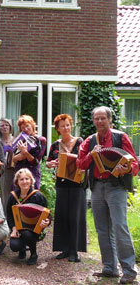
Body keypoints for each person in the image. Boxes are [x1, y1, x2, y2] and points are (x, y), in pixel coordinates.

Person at [78, 106, 138, 284]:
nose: (99, 122)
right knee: (102, 229)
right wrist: (91, 154)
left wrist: (125, 168)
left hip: (116, 187)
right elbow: (81, 164)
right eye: (96, 119)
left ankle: (129, 271)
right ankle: (110, 268)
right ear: (93, 120)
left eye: (103, 118)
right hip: (96, 187)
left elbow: (134, 164)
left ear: (110, 120)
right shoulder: (89, 141)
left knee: (120, 227)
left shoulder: (120, 137)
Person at [46, 114, 86, 262]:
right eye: (62, 126)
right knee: (62, 216)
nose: (66, 128)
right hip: (62, 183)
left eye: (68, 125)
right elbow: (48, 162)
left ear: (71, 126)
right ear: (57, 129)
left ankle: (74, 251)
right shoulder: (55, 145)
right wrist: (51, 164)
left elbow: (86, 160)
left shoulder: (80, 142)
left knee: (75, 216)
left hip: (77, 184)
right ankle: (64, 249)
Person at [6, 168, 50, 265]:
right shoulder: (13, 197)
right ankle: (22, 248)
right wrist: (13, 229)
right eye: (21, 179)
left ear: (31, 181)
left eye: (27, 179)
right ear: (17, 182)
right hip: (18, 229)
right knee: (14, 246)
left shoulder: (38, 196)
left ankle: (34, 254)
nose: (24, 182)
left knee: (26, 233)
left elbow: (47, 215)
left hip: (36, 230)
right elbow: (9, 216)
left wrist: (46, 222)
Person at [12, 115, 44, 189]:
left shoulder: (41, 140)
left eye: (27, 126)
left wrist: (25, 153)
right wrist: (17, 157)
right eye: (23, 128)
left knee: (32, 196)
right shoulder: (20, 139)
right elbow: (14, 159)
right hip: (19, 172)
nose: (25, 129)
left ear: (32, 125)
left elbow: (36, 161)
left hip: (32, 173)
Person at [0, 118, 15, 209]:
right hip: (4, 171)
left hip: (15, 169)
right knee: (5, 194)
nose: (5, 127)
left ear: (10, 127)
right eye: (2, 125)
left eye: (7, 125)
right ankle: (5, 215)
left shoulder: (15, 139)